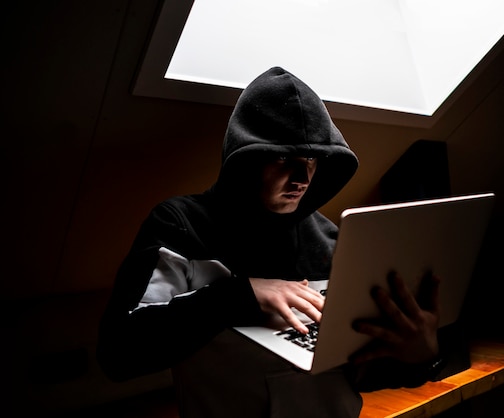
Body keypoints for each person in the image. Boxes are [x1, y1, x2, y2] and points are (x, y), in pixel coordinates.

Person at [97, 67, 444, 418]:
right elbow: (120, 353)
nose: (302, 178)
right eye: (282, 157)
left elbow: (356, 369)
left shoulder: (333, 239)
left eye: (311, 159)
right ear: (244, 159)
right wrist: (240, 296)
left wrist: (419, 356)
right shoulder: (181, 225)